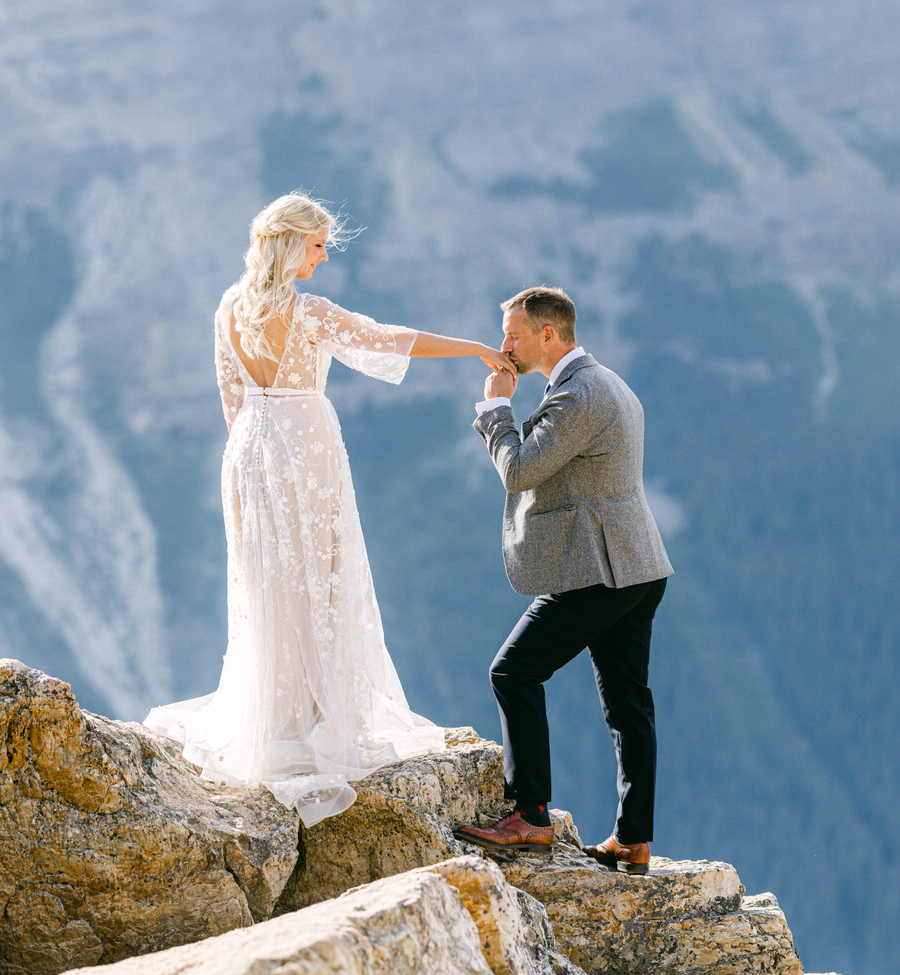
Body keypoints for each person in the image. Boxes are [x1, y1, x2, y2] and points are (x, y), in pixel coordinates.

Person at [145, 192, 510, 827]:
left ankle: (282, 713)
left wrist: (247, 464)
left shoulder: (229, 307)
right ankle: (316, 717)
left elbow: (231, 395)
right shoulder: (307, 312)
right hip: (305, 446)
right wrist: (474, 349)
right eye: (315, 245)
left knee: (270, 583)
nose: (321, 256)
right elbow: (384, 339)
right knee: (323, 576)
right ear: (288, 244)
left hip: (250, 450)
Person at [453, 286, 672, 874]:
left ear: (549, 335)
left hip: (598, 570)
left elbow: (520, 471)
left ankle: (530, 817)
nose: (504, 347)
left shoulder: (577, 396)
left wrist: (494, 409)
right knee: (630, 706)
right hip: (639, 566)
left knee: (514, 670)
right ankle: (633, 839)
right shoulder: (609, 383)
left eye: (514, 336)